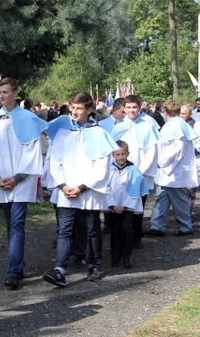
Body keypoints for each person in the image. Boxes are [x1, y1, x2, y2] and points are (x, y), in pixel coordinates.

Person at [0, 77, 46, 290]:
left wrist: (17, 177)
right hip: (1, 180)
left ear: (15, 92)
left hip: (20, 180)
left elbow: (31, 151)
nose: (2, 96)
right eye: (0, 93)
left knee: (17, 224)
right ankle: (18, 264)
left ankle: (13, 272)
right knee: (11, 225)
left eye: (6, 92)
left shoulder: (28, 119)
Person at [41, 92, 117, 287]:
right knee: (65, 231)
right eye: (72, 107)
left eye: (79, 108)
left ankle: (94, 265)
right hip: (66, 190)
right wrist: (63, 185)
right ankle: (60, 270)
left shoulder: (99, 134)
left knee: (93, 229)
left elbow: (102, 168)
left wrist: (81, 187)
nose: (74, 112)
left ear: (89, 110)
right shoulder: (62, 132)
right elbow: (54, 162)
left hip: (89, 191)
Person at [111, 95, 159, 250]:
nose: (132, 110)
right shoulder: (118, 127)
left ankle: (136, 235)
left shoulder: (147, 125)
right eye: (129, 107)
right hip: (121, 171)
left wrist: (140, 171)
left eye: (134, 107)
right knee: (120, 204)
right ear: (124, 108)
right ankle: (121, 236)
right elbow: (112, 148)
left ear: (140, 108)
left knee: (137, 205)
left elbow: (152, 150)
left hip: (139, 171)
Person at [146, 100, 199, 237]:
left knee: (179, 200)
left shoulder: (177, 126)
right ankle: (157, 226)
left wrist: (163, 163)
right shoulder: (173, 125)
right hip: (166, 170)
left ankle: (185, 227)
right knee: (161, 198)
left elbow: (177, 150)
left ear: (165, 111)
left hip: (174, 169)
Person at [106, 140, 148, 268]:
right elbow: (106, 188)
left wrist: (125, 205)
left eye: (123, 154)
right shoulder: (108, 169)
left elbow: (135, 188)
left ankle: (127, 256)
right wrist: (112, 205)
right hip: (114, 206)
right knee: (115, 230)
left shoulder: (133, 169)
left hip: (128, 207)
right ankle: (115, 257)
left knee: (126, 229)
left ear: (127, 154)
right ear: (113, 155)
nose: (121, 157)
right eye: (117, 155)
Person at [180, 104, 200, 211]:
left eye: (184, 113)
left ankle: (187, 212)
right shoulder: (175, 126)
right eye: (180, 113)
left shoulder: (198, 126)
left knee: (190, 189)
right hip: (179, 162)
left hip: (193, 160)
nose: (181, 115)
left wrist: (189, 150)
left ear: (190, 114)